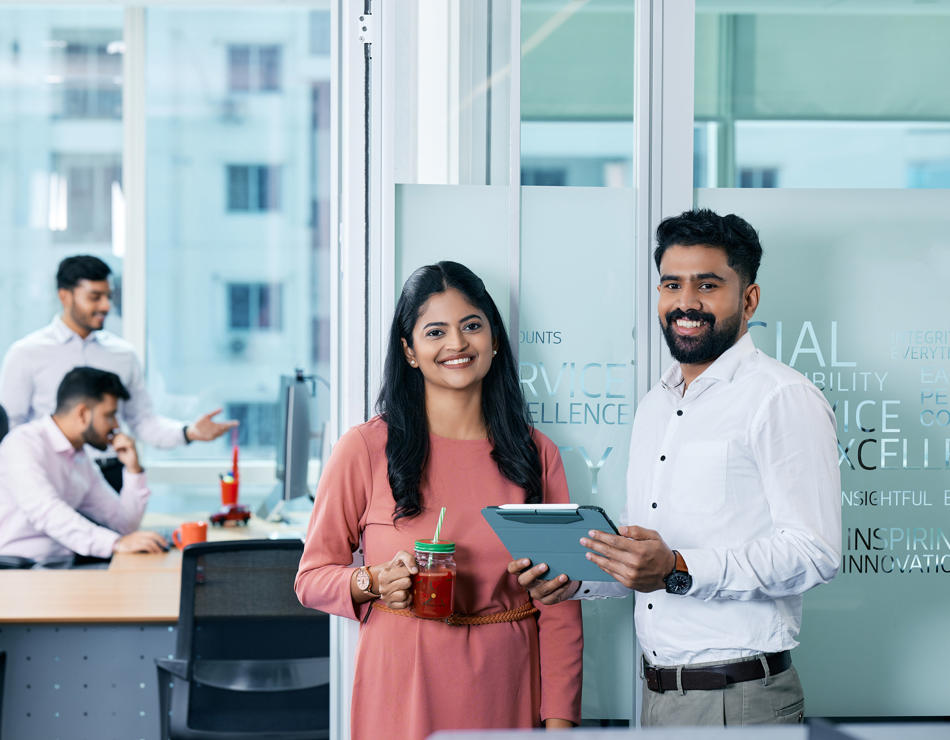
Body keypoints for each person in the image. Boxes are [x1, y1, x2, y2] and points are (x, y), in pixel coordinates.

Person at [510, 209, 841, 727]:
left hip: (741, 699)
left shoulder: (781, 398)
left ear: (748, 299)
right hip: (659, 697)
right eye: (672, 285)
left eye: (707, 285)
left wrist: (680, 568)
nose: (686, 303)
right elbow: (648, 559)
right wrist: (575, 583)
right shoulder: (655, 408)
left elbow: (814, 553)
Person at [295, 261, 583, 739]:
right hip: (400, 686)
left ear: (494, 339)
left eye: (472, 326)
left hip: (504, 688)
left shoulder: (538, 455)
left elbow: (559, 607)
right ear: (409, 351)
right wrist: (372, 581)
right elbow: (310, 578)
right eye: (435, 331)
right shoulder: (365, 449)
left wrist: (559, 726)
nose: (457, 344)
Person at [0, 255, 236, 449]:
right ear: (65, 296)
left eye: (108, 297)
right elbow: (10, 426)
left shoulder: (123, 355)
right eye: (95, 297)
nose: (105, 306)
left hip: (110, 475)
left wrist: (188, 432)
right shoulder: (26, 353)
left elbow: (142, 421)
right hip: (50, 474)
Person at [0, 366, 167, 562]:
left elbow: (124, 524)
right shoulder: (23, 443)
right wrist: (114, 543)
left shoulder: (79, 457)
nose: (116, 426)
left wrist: (133, 470)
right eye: (109, 415)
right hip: (20, 568)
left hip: (62, 564)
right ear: (83, 414)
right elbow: (47, 511)